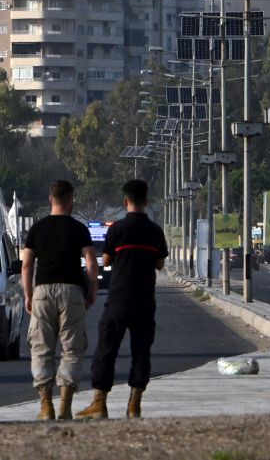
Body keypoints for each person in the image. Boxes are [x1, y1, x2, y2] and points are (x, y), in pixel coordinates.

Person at [78, 178, 168, 420]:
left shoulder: (116, 230)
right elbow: (159, 263)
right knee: (141, 350)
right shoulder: (154, 231)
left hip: (119, 298)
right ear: (146, 201)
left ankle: (99, 402)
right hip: (145, 299)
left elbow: (106, 260)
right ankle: (134, 404)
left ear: (125, 201)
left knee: (107, 347)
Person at [21, 179, 97, 421]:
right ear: (71, 199)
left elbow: (26, 264)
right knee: (72, 349)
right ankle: (65, 404)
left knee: (41, 348)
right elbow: (92, 262)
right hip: (72, 291)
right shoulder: (79, 229)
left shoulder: (36, 229)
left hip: (42, 290)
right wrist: (92, 288)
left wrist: (28, 294)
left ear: (50, 200)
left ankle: (46, 406)